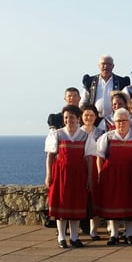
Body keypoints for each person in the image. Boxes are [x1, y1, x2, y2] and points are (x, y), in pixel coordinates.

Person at [45, 105, 95, 248]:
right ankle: (61, 236)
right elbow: (50, 157)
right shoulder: (57, 134)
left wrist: (89, 178)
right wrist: (48, 175)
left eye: (71, 117)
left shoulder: (85, 136)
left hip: (78, 174)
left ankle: (74, 237)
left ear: (78, 119)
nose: (68, 120)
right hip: (60, 174)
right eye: (66, 117)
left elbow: (89, 159)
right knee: (61, 203)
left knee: (76, 204)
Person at [95, 108, 132, 245]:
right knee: (113, 203)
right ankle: (114, 234)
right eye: (118, 121)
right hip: (111, 175)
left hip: (130, 174)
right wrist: (100, 173)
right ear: (114, 122)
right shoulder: (108, 137)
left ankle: (129, 234)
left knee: (129, 203)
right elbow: (99, 156)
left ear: (129, 121)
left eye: (124, 120)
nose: (121, 123)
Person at [80, 103, 104, 241]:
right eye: (86, 115)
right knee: (80, 198)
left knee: (95, 199)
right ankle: (77, 229)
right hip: (81, 166)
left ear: (95, 117)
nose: (88, 118)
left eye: (91, 115)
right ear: (81, 116)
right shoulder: (78, 133)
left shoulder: (101, 133)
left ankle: (94, 231)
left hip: (95, 166)